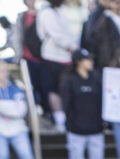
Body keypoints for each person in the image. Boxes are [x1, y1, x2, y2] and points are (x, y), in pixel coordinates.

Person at [62, 48, 109, 159]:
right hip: (76, 127)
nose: (91, 62)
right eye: (87, 59)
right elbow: (66, 104)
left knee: (97, 156)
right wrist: (70, 123)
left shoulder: (96, 77)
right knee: (76, 157)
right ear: (78, 62)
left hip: (96, 126)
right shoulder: (69, 79)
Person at [37, 0, 79, 131]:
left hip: (66, 58)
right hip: (53, 58)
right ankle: (60, 119)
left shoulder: (59, 11)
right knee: (54, 89)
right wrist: (72, 48)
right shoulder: (47, 12)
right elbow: (56, 35)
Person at [11, 0, 46, 112]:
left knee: (44, 86)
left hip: (44, 57)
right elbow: (16, 37)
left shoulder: (44, 14)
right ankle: (35, 110)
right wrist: (18, 55)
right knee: (32, 86)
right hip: (28, 57)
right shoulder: (22, 17)